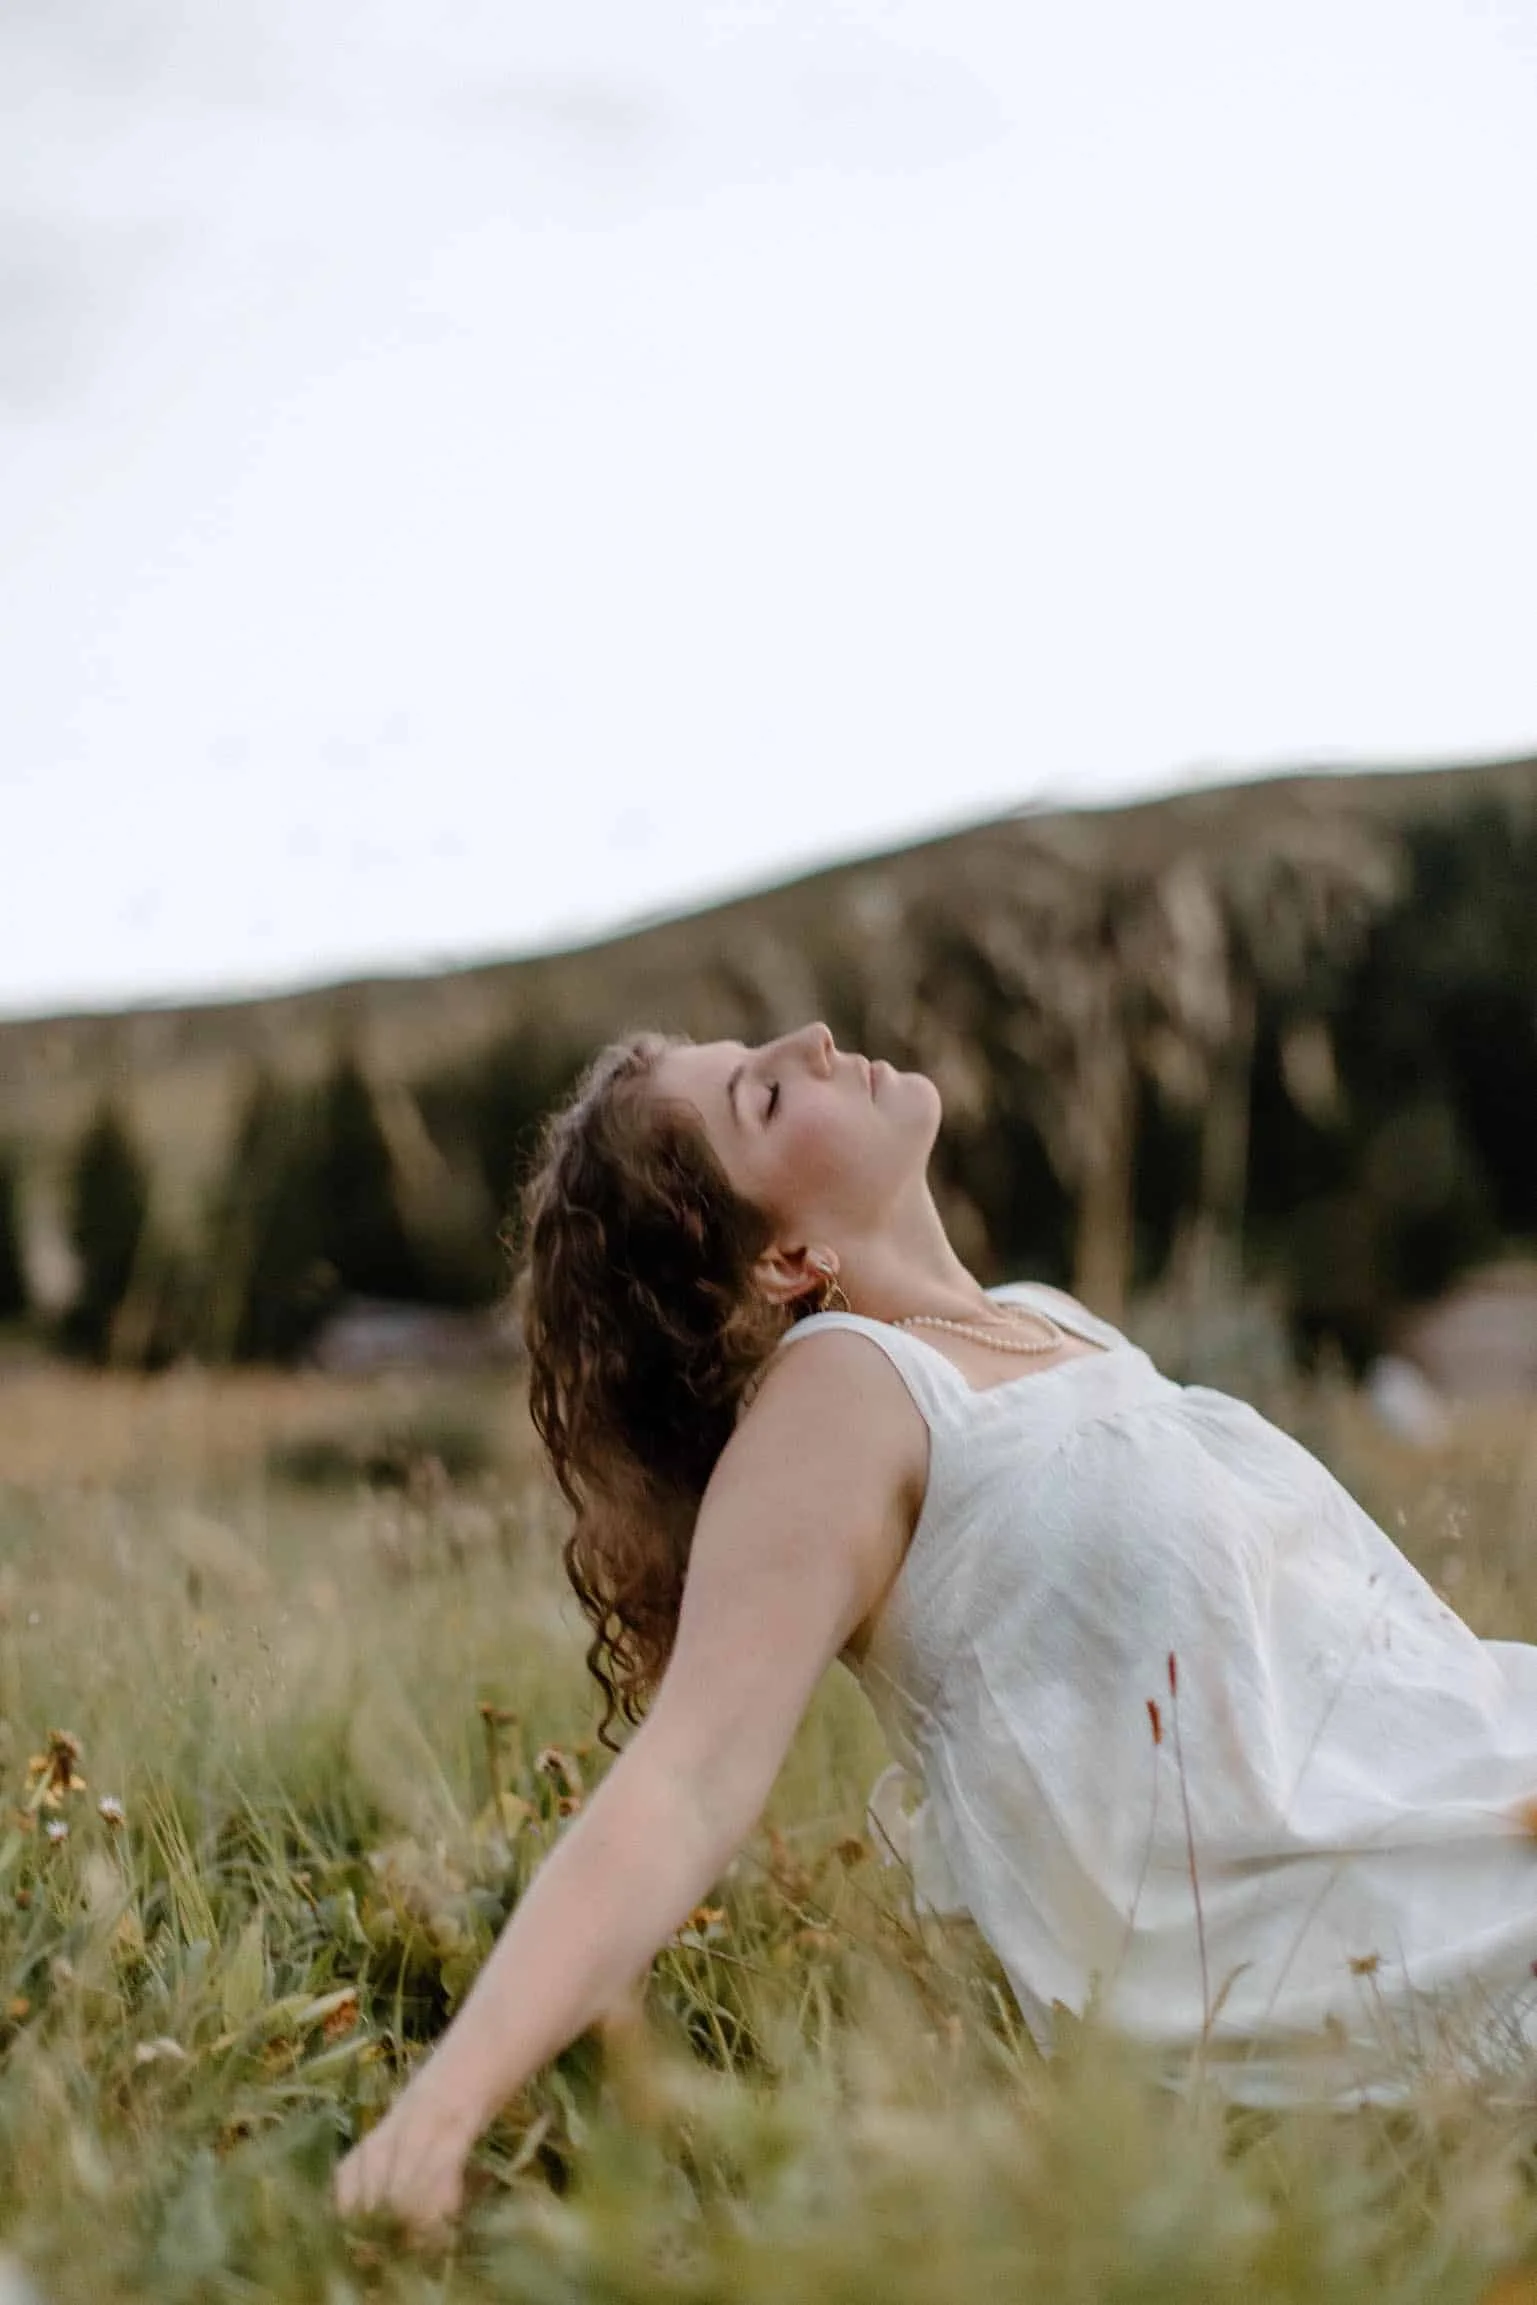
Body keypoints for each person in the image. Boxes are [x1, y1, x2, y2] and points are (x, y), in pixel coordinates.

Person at [335, 1021, 1537, 2228]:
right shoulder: (843, 1395)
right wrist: (436, 2115)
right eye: (761, 1095)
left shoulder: (1045, 1318)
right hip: (1308, 1941)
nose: (809, 1036)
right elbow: (686, 1782)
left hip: (1458, 1792)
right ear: (784, 1261)